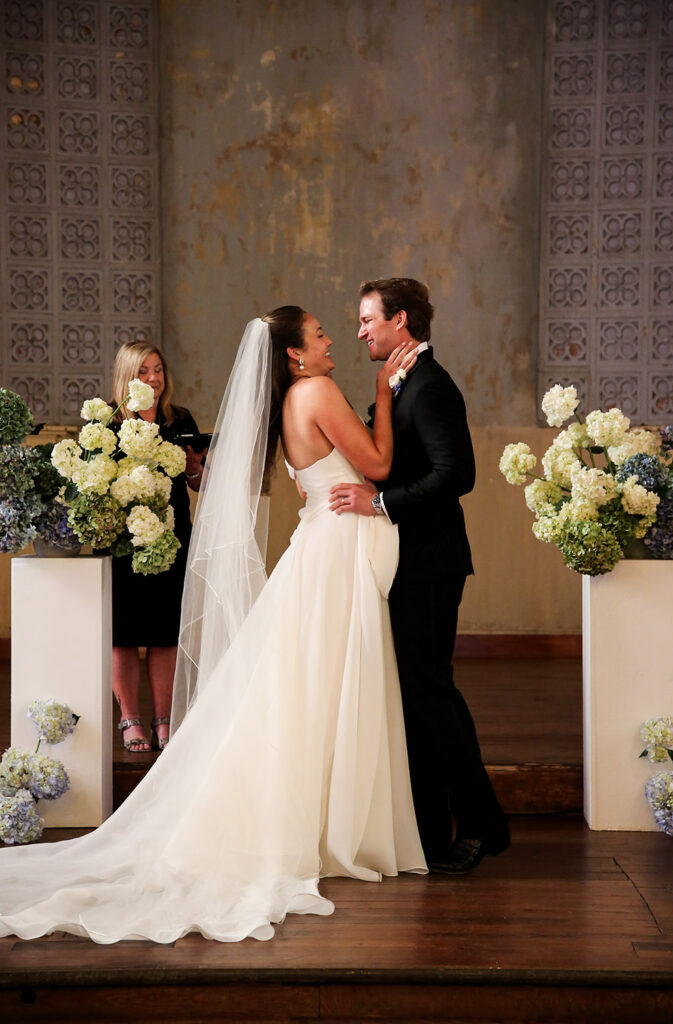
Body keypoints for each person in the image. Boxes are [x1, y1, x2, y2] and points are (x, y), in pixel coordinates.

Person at [0, 308, 425, 944]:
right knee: (329, 681)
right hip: (334, 551)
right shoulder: (320, 391)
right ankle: (329, 825)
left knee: (309, 684)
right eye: (319, 334)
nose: (333, 338)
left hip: (320, 547)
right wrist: (383, 396)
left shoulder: (291, 401)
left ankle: (318, 816)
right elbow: (380, 464)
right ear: (295, 355)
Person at [329, 278, 510, 872]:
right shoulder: (403, 379)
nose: (359, 332)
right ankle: (430, 830)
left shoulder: (430, 384)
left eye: (366, 320)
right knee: (413, 696)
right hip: (407, 562)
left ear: (399, 319)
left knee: (431, 693)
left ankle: (483, 825)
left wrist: (379, 505)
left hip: (431, 563)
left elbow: (457, 473)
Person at [109, 343, 207, 753]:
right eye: (144, 371)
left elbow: (199, 483)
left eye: (159, 370)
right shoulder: (109, 424)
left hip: (172, 536)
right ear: (127, 378)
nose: (153, 379)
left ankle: (164, 719)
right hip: (124, 543)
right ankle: (130, 718)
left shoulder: (178, 419)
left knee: (166, 634)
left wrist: (196, 467)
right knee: (125, 634)